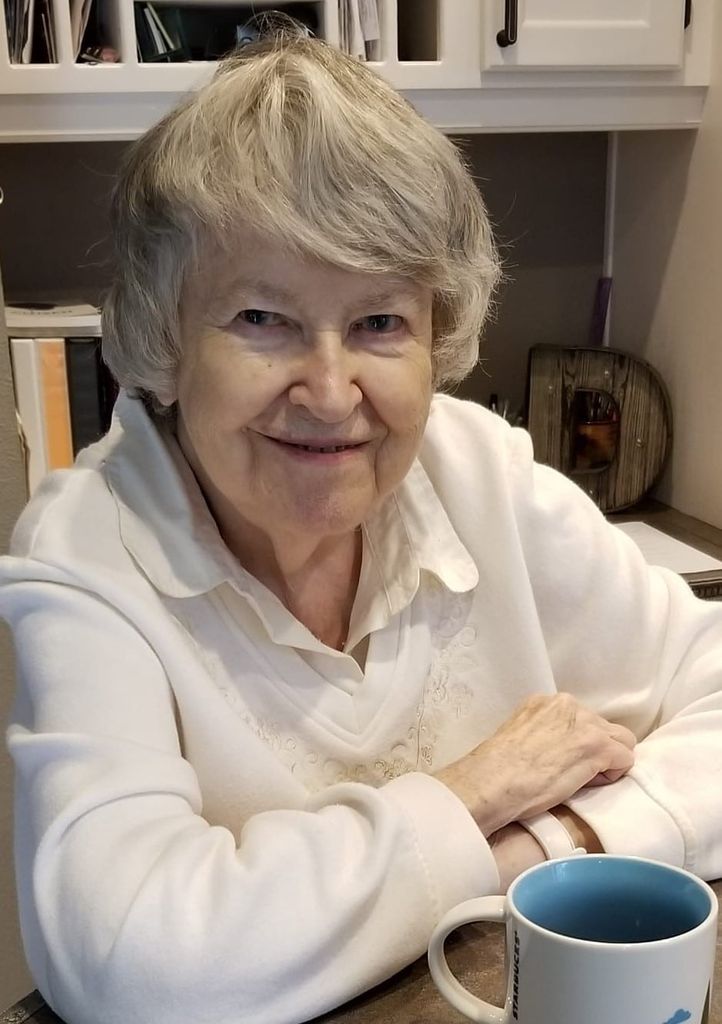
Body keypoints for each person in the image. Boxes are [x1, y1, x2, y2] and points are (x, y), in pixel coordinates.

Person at [2, 30, 722, 1024]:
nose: (332, 392)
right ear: (163, 341)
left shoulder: (477, 471)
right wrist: (474, 792)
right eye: (262, 319)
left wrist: (538, 849)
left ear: (438, 336)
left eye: (381, 322)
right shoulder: (87, 551)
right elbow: (128, 961)